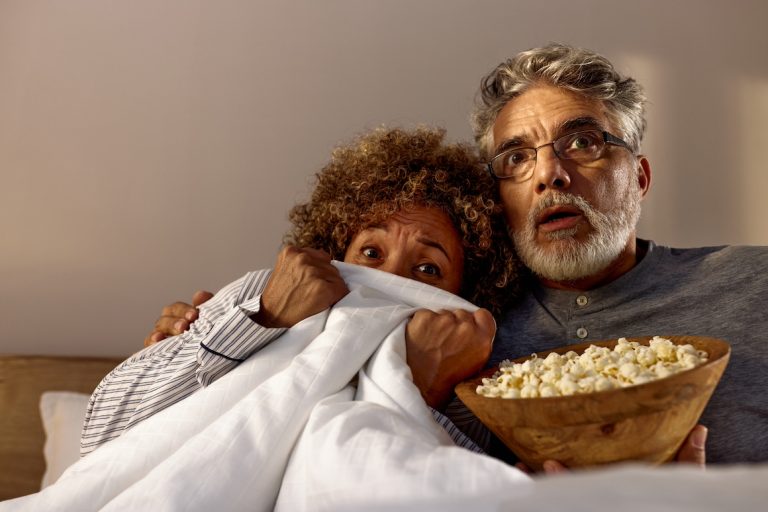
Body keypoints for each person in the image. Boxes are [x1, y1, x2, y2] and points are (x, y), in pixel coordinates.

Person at [147, 44, 766, 466]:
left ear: (641, 176)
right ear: (499, 200)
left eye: (582, 141)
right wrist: (217, 335)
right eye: (517, 157)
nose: (549, 172)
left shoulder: (752, 283)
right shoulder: (455, 326)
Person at [80, 126, 523, 455]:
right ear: (333, 255)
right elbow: (102, 434)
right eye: (370, 253)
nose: (393, 282)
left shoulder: (480, 392)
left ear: (466, 295)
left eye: (428, 268)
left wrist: (425, 391)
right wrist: (267, 317)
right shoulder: (256, 300)